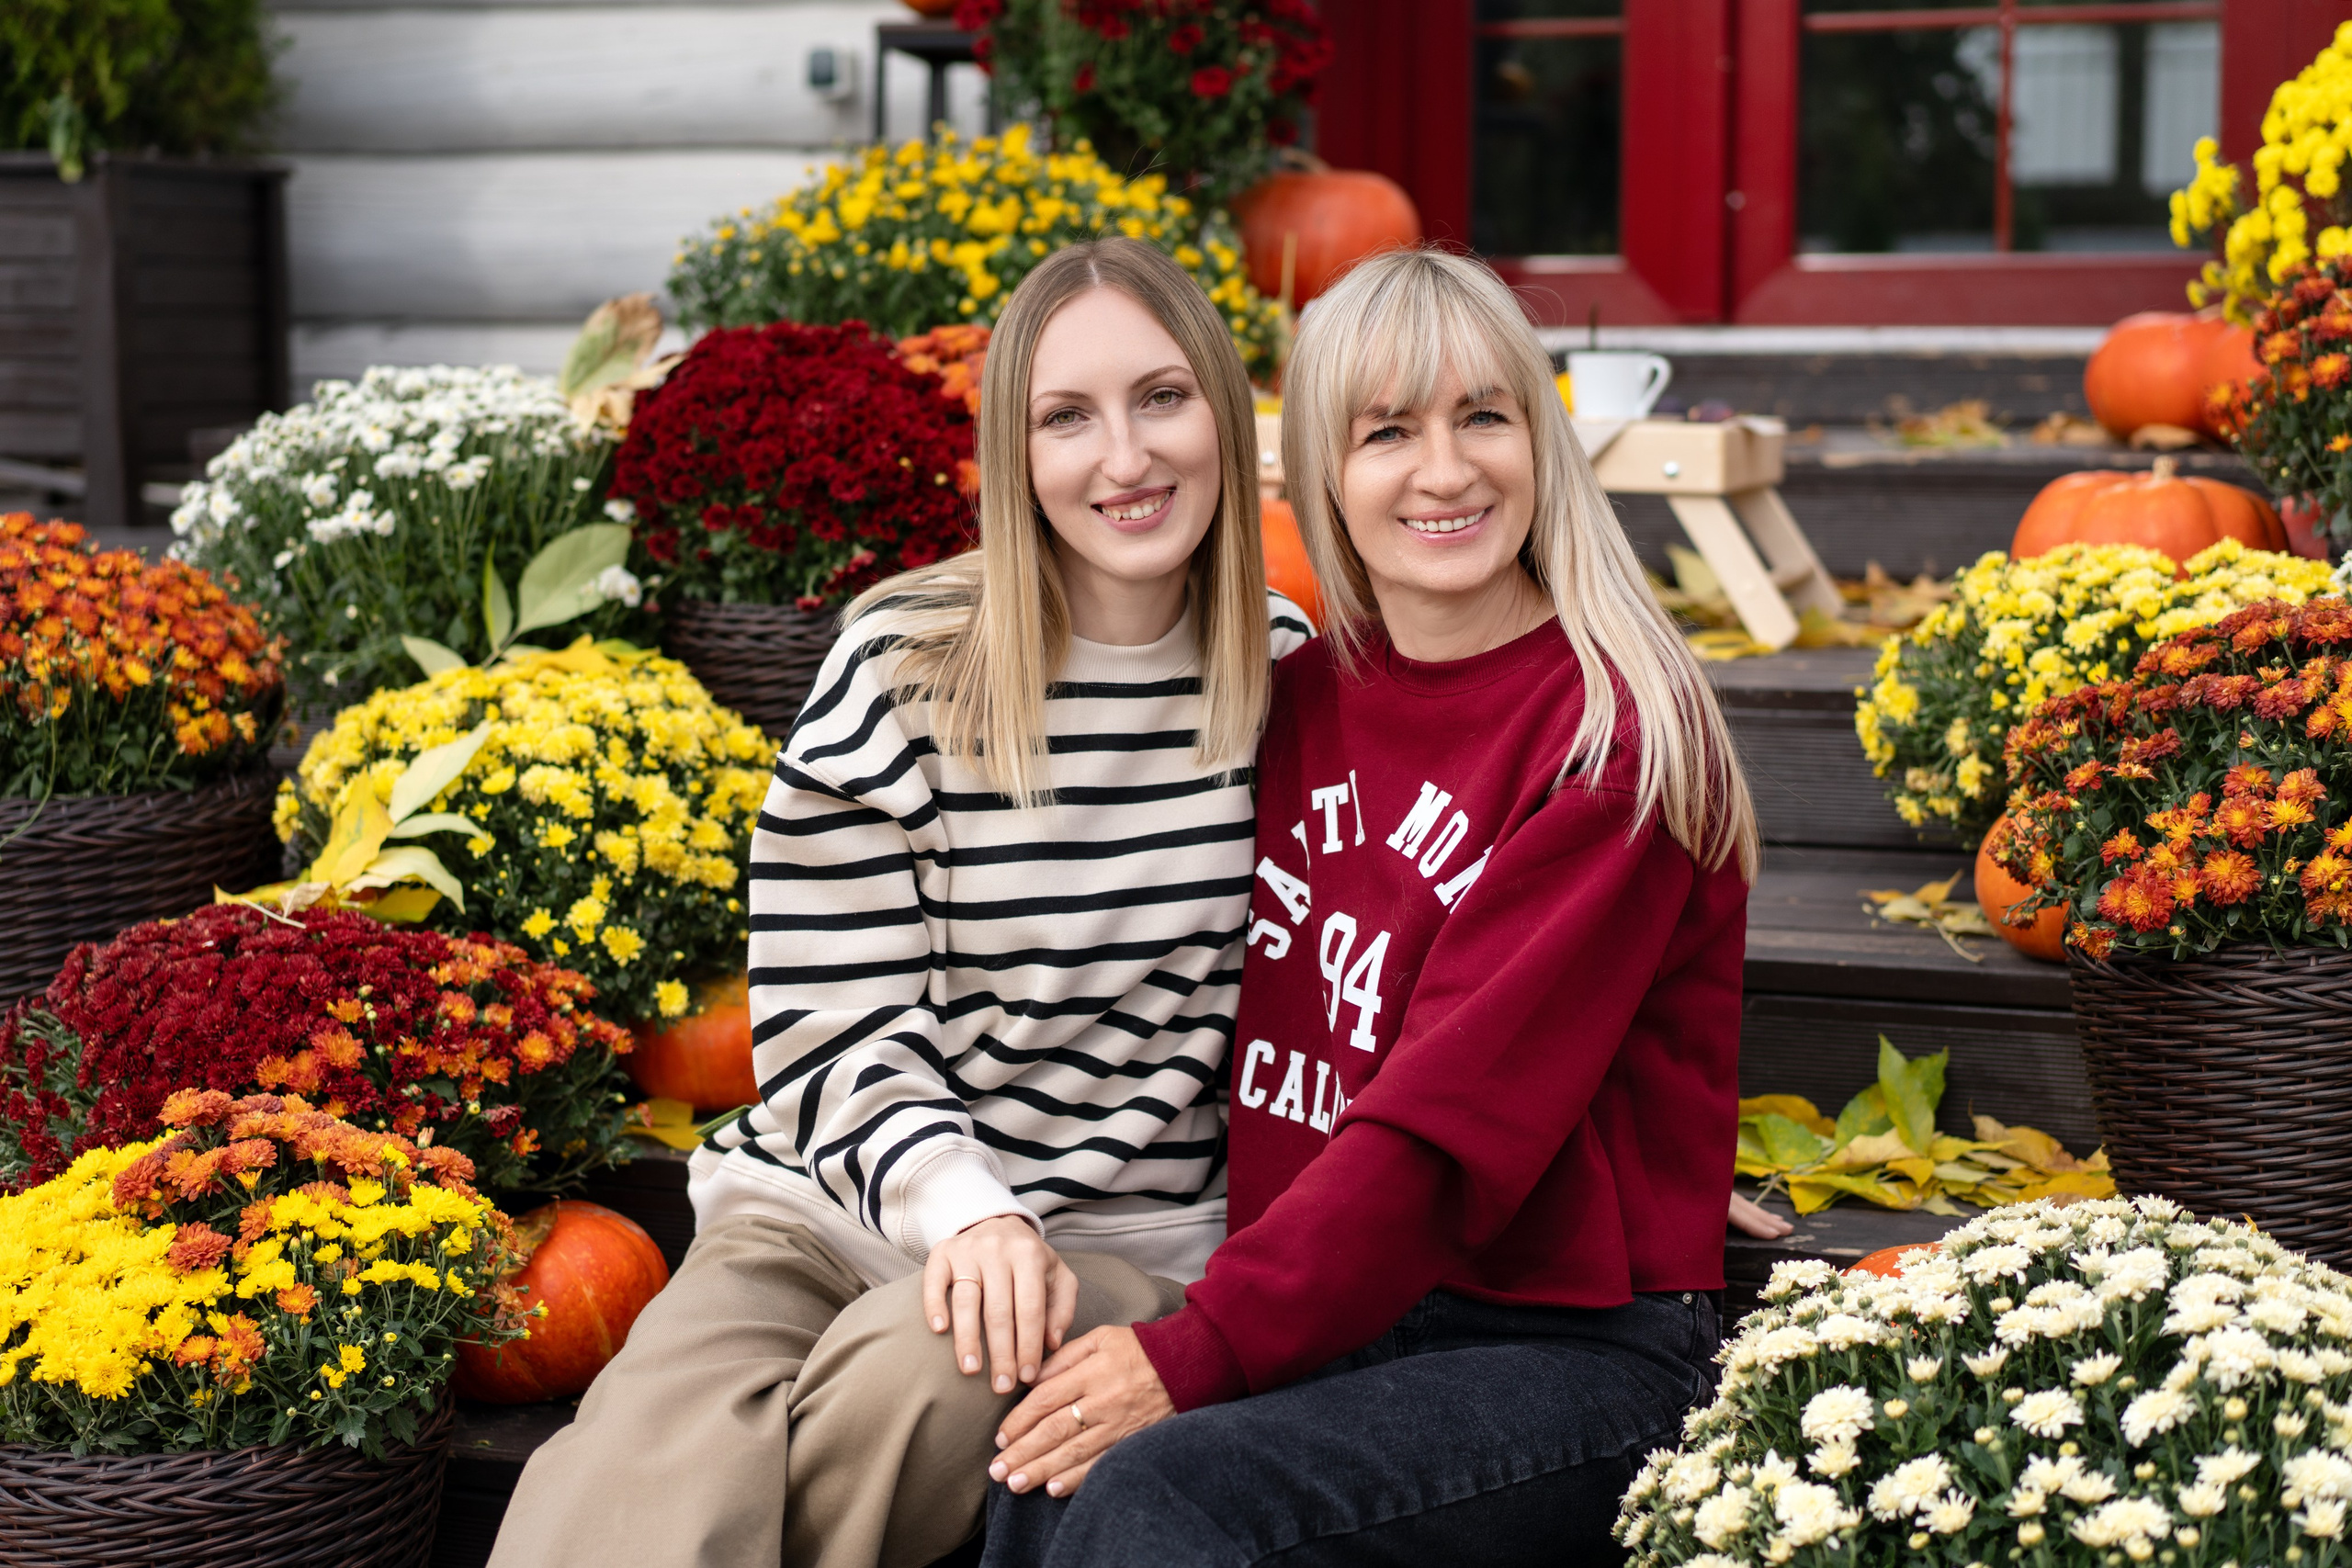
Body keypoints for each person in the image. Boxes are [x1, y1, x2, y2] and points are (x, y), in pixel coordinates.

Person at [488, 237, 1310, 1568]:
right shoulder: (907, 661)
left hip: (1111, 1237)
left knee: (912, 1375)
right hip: (832, 1205)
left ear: (1226, 405)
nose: (1126, 458)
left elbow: (1415, 945)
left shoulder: (1289, 681)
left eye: (1163, 397)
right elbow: (831, 1009)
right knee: (651, 1438)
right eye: (1067, 416)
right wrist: (961, 1200)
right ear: (1012, 452)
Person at [978, 245, 1762, 1567]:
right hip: (1345, 1304)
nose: (1445, 471)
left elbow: (1444, 1134)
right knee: (1043, 1473)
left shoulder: (1610, 738)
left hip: (1566, 1350)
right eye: (1387, 430)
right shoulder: (1293, 698)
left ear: (1541, 438)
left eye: (1484, 417)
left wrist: (1202, 1349)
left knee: (1158, 1503)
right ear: (1322, 473)